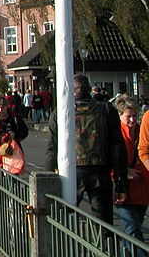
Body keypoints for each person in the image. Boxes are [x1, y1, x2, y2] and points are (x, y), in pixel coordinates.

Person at [46, 74, 127, 225]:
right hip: (100, 171)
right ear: (90, 89)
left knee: (64, 220)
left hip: (71, 172)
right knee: (103, 222)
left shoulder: (60, 113)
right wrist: (120, 181)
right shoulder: (106, 110)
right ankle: (103, 246)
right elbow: (117, 147)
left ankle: (67, 245)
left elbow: (52, 148)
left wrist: (49, 178)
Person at [116, 97, 149, 256]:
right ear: (120, 115)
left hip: (141, 188)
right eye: (128, 116)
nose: (132, 120)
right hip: (122, 189)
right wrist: (125, 172)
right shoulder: (116, 134)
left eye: (134, 116)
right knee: (133, 227)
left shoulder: (141, 130)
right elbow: (109, 160)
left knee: (132, 229)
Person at [0, 94, 29, 168]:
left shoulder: (14, 117)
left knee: (12, 176)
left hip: (12, 153)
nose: (0, 111)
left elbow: (24, 132)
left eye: (2, 108)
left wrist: (15, 135)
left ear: (7, 107)